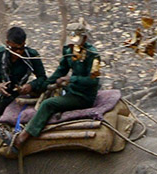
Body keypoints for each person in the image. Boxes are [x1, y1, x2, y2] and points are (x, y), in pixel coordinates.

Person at [13, 19, 102, 150]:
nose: (73, 46)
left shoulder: (93, 56)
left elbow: (93, 81)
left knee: (48, 104)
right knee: (43, 92)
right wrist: (45, 84)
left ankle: (23, 137)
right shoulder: (68, 51)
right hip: (70, 89)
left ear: (85, 39)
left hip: (83, 95)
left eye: (76, 43)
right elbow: (61, 70)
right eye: (71, 43)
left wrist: (72, 79)